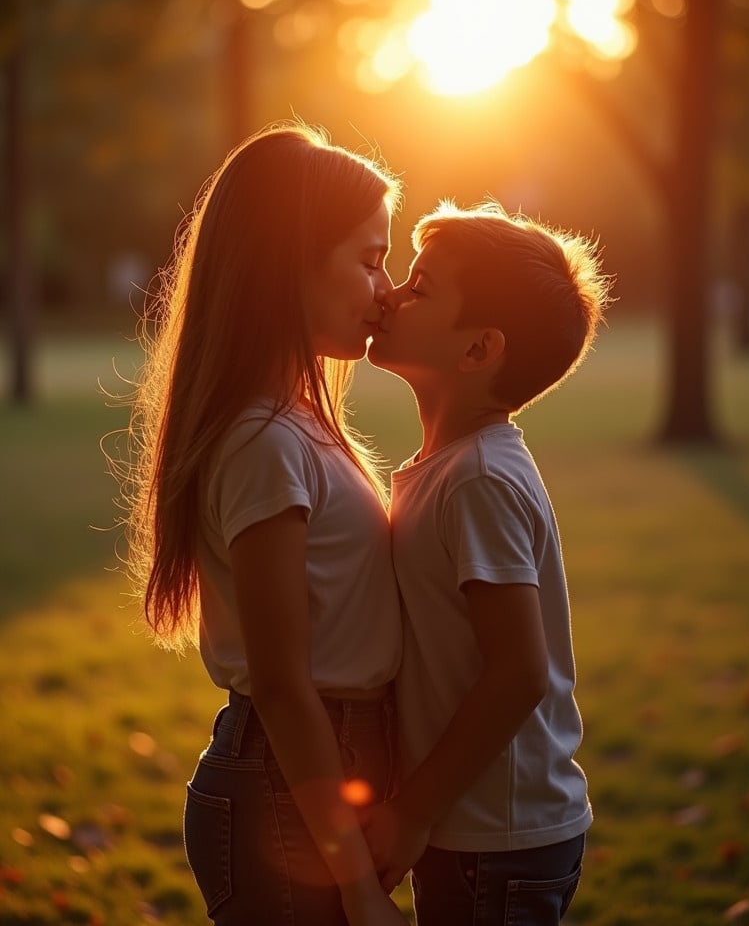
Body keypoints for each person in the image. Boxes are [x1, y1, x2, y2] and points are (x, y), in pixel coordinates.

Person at [114, 122, 409, 926]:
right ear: (292, 264)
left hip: (315, 775)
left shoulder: (300, 422)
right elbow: (282, 683)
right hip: (287, 788)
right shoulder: (264, 442)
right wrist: (353, 881)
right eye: (369, 258)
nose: (387, 288)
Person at [364, 200, 612, 925]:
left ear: (478, 350)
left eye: (420, 288)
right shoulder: (451, 466)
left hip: (497, 838)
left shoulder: (479, 479)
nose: (391, 295)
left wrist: (412, 812)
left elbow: (517, 673)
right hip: (478, 829)